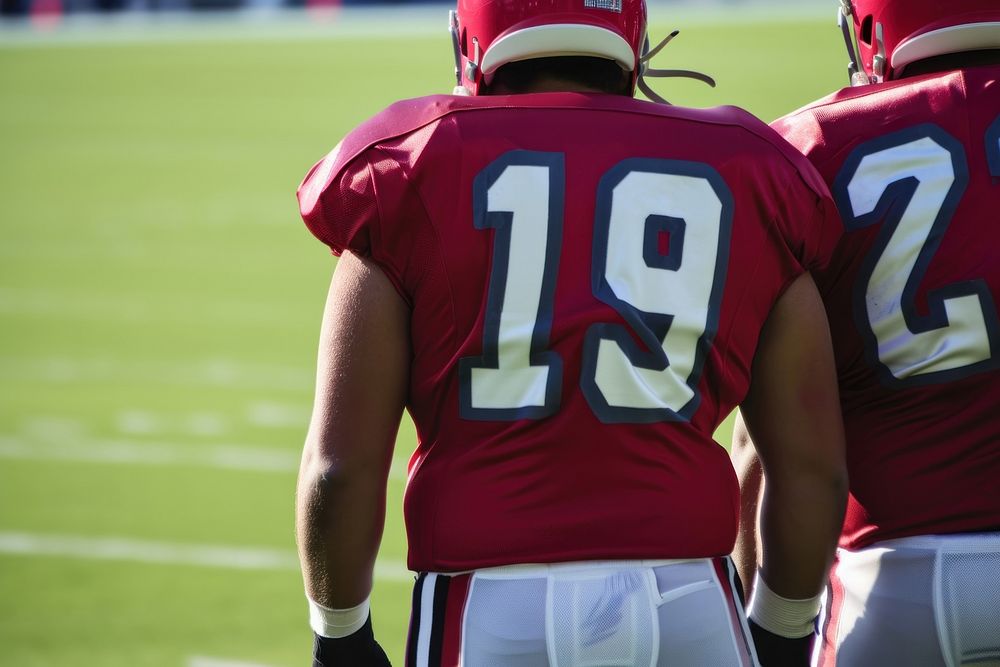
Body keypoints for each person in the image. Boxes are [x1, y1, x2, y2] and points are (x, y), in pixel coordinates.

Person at [294, 0, 848, 664]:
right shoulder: (752, 166)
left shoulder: (408, 164)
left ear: (472, 34)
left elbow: (340, 468)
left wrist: (340, 633)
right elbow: (810, 463)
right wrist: (784, 628)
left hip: (491, 605)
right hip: (687, 600)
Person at [731, 1, 1000, 665]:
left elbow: (769, 448)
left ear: (872, 24)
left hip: (890, 582)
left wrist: (766, 626)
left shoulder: (804, 149)